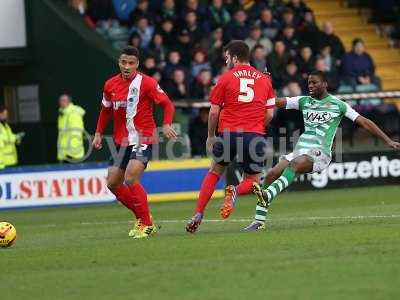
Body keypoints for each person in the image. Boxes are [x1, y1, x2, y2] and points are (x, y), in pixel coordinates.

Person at [245, 71, 400, 230]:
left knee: (295, 165)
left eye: (314, 82)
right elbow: (275, 102)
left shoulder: (338, 104)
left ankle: (268, 195)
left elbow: (365, 122)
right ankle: (259, 221)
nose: (310, 85)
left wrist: (387, 140)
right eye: (309, 83)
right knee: (271, 174)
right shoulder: (304, 101)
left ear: (325, 84)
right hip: (300, 150)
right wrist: (263, 85)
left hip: (320, 153)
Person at [185, 40, 275, 233]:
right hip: (253, 135)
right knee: (253, 181)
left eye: (227, 57)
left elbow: (213, 113)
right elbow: (270, 114)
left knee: (214, 172)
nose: (226, 61)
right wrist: (257, 127)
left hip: (228, 134)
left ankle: (198, 214)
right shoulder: (265, 79)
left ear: (235, 57)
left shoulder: (225, 78)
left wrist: (210, 135)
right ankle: (235, 190)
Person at [92, 46, 176, 239]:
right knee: (113, 182)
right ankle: (142, 217)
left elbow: (167, 104)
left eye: (131, 63)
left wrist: (166, 123)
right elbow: (105, 110)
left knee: (130, 177)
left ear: (137, 64)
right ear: (119, 63)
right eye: (123, 62)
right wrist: (97, 133)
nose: (127, 66)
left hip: (143, 136)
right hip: (121, 140)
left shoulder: (147, 83)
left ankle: (147, 224)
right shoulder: (110, 85)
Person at [57, 94, 86, 163]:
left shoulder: (73, 112)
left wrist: (74, 149)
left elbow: (77, 132)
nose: (61, 102)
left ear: (69, 101)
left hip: (73, 153)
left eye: (63, 100)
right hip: (64, 152)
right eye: (60, 100)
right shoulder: (62, 113)